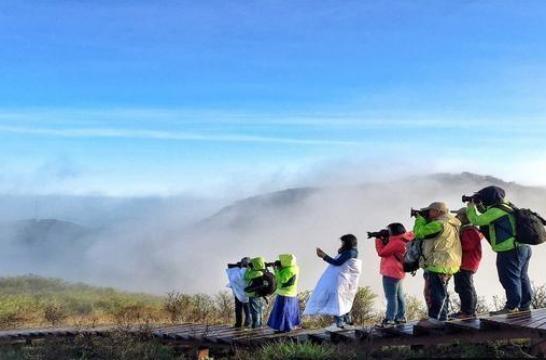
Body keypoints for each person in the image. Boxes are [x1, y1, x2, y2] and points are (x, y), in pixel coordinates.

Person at [465, 185, 533, 315]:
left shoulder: (497, 211)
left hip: (510, 249)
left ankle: (511, 306)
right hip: (523, 247)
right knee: (522, 277)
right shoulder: (507, 207)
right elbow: (487, 215)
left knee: (508, 278)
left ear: (489, 198)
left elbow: (477, 220)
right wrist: (479, 206)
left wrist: (470, 206)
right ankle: (524, 305)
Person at [413, 202, 462, 328]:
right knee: (441, 291)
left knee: (437, 292)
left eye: (430, 211)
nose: (428, 213)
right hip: (448, 262)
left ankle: (435, 320)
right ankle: (442, 317)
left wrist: (419, 219)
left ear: (438, 211)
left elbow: (420, 232)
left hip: (439, 263)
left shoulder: (439, 224)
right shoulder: (451, 223)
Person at [374, 223, 414, 326]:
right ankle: (400, 317)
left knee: (391, 297)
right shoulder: (406, 238)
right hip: (399, 271)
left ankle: (390, 319)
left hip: (390, 272)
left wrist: (378, 240)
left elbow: (382, 252)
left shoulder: (395, 242)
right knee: (399, 296)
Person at [315, 234, 359, 328]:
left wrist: (324, 256)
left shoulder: (350, 252)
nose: (342, 243)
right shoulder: (351, 251)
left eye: (343, 242)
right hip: (343, 279)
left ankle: (340, 324)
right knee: (343, 300)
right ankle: (347, 322)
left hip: (343, 280)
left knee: (338, 301)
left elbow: (337, 263)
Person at [450, 208, 484, 320]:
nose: (456, 218)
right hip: (466, 262)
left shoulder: (469, 230)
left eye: (459, 215)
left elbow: (467, 246)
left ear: (464, 217)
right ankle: (467, 310)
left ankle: (468, 312)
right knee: (464, 286)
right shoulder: (469, 230)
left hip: (466, 262)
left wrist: (454, 243)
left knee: (465, 287)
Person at [267, 254, 301, 333]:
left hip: (285, 294)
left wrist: (276, 269)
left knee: (283, 312)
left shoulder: (288, 270)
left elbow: (281, 279)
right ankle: (290, 326)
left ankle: (283, 329)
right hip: (292, 293)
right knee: (290, 312)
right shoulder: (295, 268)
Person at [244, 257, 268, 328]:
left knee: (255, 311)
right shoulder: (263, 271)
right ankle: (260, 325)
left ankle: (256, 326)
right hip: (260, 293)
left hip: (254, 294)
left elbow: (246, 276)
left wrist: (248, 268)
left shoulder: (256, 272)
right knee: (260, 310)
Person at [226, 257, 251, 328]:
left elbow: (233, 279)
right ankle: (248, 323)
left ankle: (238, 323)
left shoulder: (238, 272)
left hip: (238, 294)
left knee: (238, 309)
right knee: (247, 309)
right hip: (248, 293)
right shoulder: (250, 272)